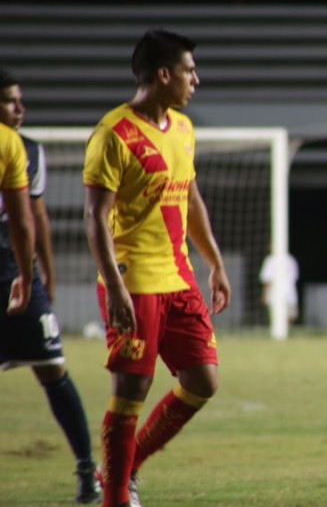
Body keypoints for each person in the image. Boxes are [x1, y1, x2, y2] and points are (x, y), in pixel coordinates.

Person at [83, 29, 232, 507]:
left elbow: (189, 197)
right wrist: (116, 286)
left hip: (180, 276)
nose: (197, 80)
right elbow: (95, 217)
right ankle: (116, 497)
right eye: (190, 70)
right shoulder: (114, 134)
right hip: (137, 281)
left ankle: (121, 471)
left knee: (203, 380)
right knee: (132, 389)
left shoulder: (184, 129)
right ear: (163, 74)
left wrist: (214, 262)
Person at [0, 69, 100, 503]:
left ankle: (85, 470)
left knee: (53, 368)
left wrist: (46, 276)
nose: (19, 108)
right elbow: (22, 221)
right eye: (9, 101)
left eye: (20, 100)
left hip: (18, 271)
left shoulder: (29, 152)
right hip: (17, 271)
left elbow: (34, 219)